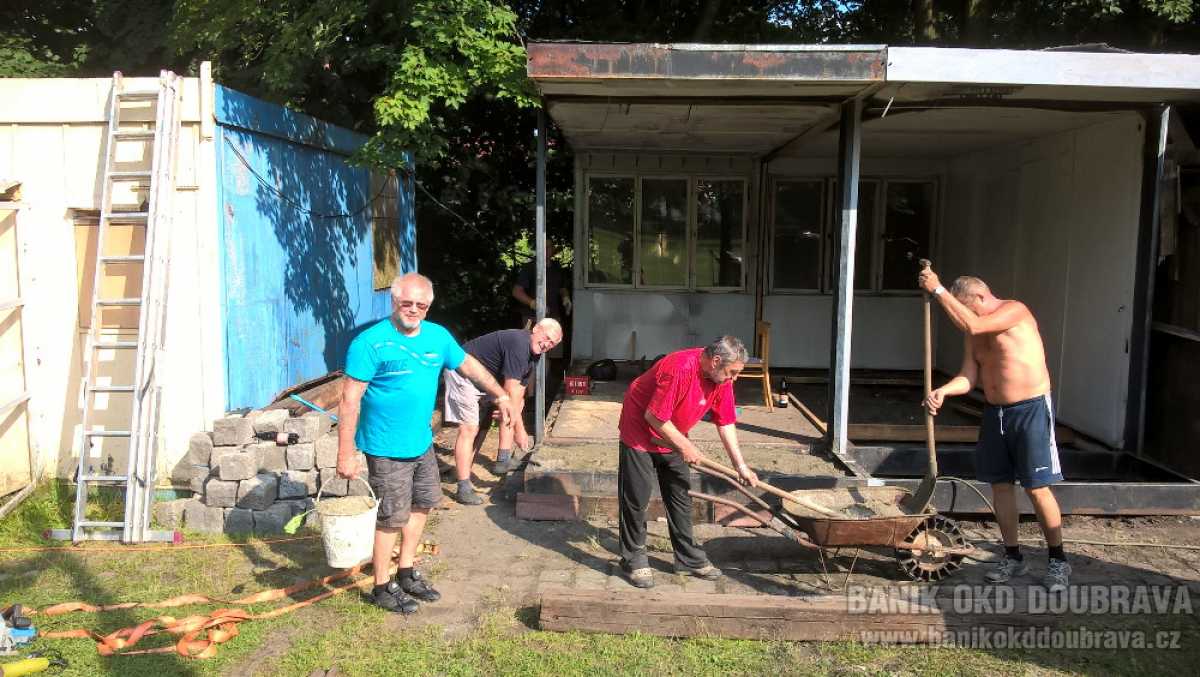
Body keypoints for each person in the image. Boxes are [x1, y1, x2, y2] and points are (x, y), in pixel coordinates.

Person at [337, 273, 517, 614]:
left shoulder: (437, 336)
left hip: (421, 443)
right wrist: (346, 453)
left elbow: (469, 366)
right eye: (407, 303)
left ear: (428, 307)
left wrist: (501, 394)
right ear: (394, 302)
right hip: (386, 446)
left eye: (421, 305)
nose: (413, 310)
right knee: (392, 517)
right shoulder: (369, 343)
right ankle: (381, 586)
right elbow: (349, 401)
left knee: (423, 505)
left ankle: (406, 572)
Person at [918, 269, 1071, 592]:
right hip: (994, 413)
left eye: (967, 308)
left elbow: (973, 324)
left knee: (1037, 488)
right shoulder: (973, 331)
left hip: (1030, 410)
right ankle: (1013, 556)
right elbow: (968, 377)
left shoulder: (1015, 311)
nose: (964, 316)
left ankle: (1058, 560)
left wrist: (937, 290)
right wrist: (944, 391)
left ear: (981, 296)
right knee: (1000, 486)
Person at [616, 336, 759, 589]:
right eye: (733, 372)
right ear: (715, 361)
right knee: (636, 498)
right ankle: (633, 559)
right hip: (640, 429)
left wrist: (741, 466)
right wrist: (686, 446)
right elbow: (654, 417)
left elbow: (726, 422)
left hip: (672, 432)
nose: (735, 379)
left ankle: (688, 558)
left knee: (680, 496)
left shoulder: (721, 379)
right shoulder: (680, 368)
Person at [444, 319, 563, 504]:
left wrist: (511, 413)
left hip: (487, 380)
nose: (547, 344)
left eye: (552, 343)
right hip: (464, 373)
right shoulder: (519, 343)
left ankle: (503, 459)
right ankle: (463, 487)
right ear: (535, 329)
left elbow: (519, 392)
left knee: (515, 406)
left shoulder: (535, 353)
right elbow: (510, 390)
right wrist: (520, 431)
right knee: (469, 428)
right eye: (547, 338)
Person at [512, 242, 572, 329]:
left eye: (548, 247)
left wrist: (566, 297)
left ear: (553, 249)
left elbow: (562, 287)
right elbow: (516, 291)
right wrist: (533, 303)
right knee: (532, 338)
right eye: (543, 247)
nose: (546, 249)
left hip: (553, 317)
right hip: (532, 318)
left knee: (554, 338)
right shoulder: (529, 267)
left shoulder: (556, 267)